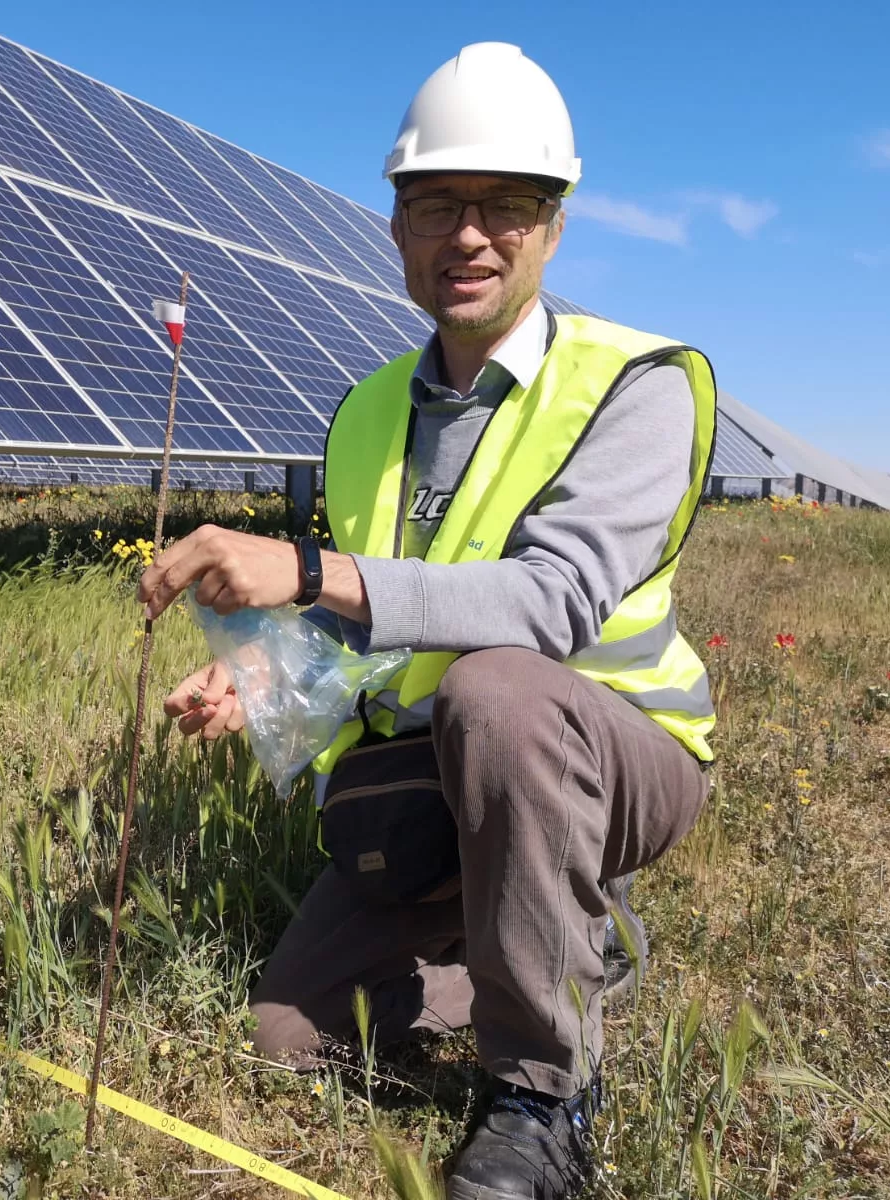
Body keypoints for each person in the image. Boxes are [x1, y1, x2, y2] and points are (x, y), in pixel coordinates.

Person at [138, 42, 716, 1200]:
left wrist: (304, 568)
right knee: (288, 1039)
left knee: (495, 690)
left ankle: (543, 1093)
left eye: (507, 206)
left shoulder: (635, 386)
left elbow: (548, 604)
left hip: (612, 751)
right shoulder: (360, 414)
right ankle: (554, 941)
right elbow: (374, 622)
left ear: (554, 225)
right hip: (436, 772)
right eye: (438, 204)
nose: (469, 236)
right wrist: (254, 681)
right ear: (395, 222)